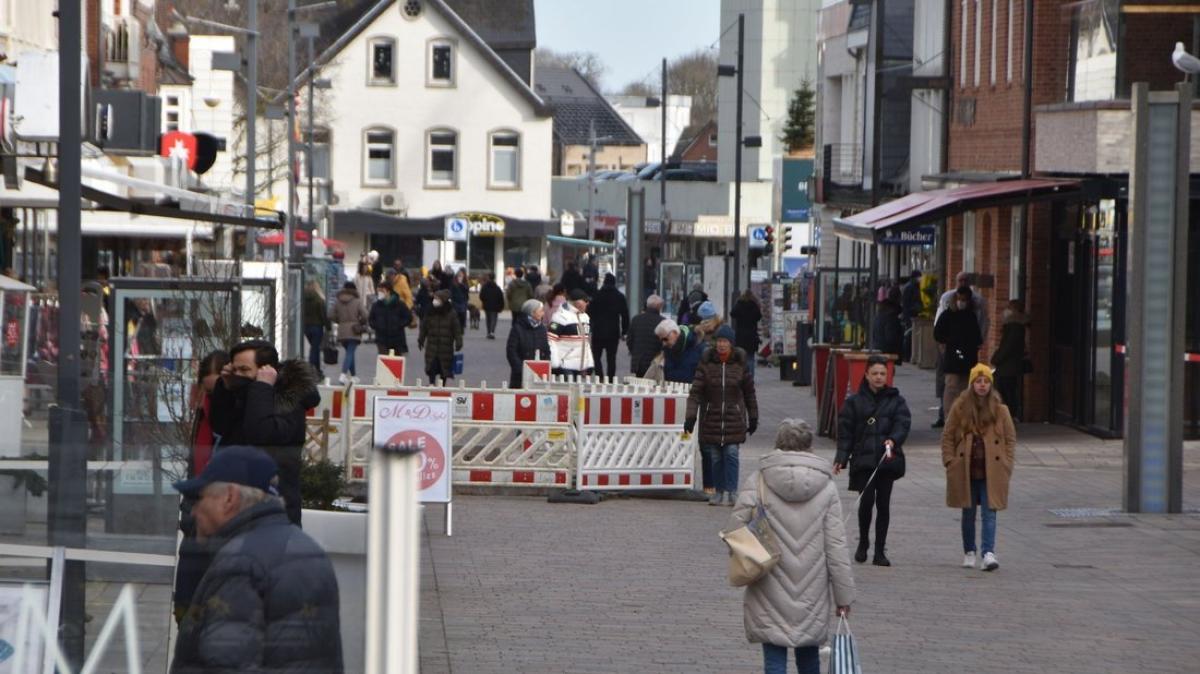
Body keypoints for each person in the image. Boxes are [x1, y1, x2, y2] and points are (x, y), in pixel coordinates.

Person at [171, 446, 343, 673]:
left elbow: (227, 664)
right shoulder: (309, 550)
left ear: (229, 497)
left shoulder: (240, 563)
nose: (194, 511)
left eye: (199, 498)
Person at [729, 419, 855, 674]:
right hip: (813, 587)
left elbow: (736, 528)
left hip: (769, 580)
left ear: (779, 443)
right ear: (809, 447)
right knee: (809, 656)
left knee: (774, 656)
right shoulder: (826, 487)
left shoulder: (760, 479)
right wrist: (844, 597)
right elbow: (836, 546)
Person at [208, 340, 319, 526]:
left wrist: (262, 388)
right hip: (237, 508)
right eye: (235, 370)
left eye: (244, 370)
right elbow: (220, 426)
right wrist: (225, 388)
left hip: (273, 513)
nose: (238, 376)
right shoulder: (243, 395)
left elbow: (262, 434)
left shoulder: (287, 402)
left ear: (267, 371)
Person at [833, 355, 911, 566]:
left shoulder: (897, 401)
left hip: (886, 461)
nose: (878, 377)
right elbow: (845, 432)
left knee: (883, 504)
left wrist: (893, 440)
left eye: (882, 374)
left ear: (888, 376)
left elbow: (903, 424)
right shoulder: (854, 402)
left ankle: (879, 550)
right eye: (875, 373)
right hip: (863, 460)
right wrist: (841, 458)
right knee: (866, 502)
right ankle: (863, 542)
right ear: (866, 374)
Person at [173, 350, 230, 623]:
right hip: (197, 507)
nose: (211, 399)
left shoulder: (228, 415)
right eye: (208, 391)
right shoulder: (202, 411)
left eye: (216, 390)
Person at [942, 363, 1015, 571]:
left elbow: (1010, 439)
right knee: (968, 512)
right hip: (966, 468)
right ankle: (969, 551)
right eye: (978, 381)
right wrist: (950, 461)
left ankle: (988, 553)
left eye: (986, 382)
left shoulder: (1001, 410)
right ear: (972, 384)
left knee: (990, 513)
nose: (982, 386)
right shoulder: (960, 407)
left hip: (992, 470)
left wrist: (1007, 463)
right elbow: (947, 436)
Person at [685, 325, 758, 505]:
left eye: (725, 341)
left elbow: (749, 393)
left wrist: (753, 416)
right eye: (719, 341)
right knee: (716, 456)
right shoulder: (706, 363)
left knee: (731, 453)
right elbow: (695, 393)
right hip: (712, 417)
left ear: (731, 344)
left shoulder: (740, 364)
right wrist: (690, 417)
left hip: (734, 417)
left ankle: (732, 492)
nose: (722, 345)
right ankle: (718, 491)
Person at [932, 272, 989, 427]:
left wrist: (975, 344)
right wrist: (948, 343)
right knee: (951, 386)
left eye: (965, 300)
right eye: (960, 300)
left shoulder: (971, 315)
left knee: (966, 386)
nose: (962, 302)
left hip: (968, 356)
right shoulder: (948, 313)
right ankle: (949, 417)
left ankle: (965, 416)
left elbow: (979, 332)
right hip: (952, 355)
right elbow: (938, 333)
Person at [990, 299, 1031, 421]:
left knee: (1006, 392)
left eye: (1008, 308)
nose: (1005, 311)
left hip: (1008, 366)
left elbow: (1007, 346)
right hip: (1010, 365)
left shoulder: (1014, 326)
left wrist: (996, 359)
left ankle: (1008, 415)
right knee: (1008, 391)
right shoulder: (1015, 325)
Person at [586, 273, 629, 380]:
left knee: (596, 356)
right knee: (611, 358)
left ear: (604, 282)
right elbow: (625, 315)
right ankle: (610, 379)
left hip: (598, 331)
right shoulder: (619, 296)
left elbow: (590, 312)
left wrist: (592, 325)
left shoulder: (597, 295)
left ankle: (599, 376)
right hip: (613, 332)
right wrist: (624, 331)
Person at [418, 289, 463, 383]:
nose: (435, 301)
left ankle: (442, 387)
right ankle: (431, 384)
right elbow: (424, 327)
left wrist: (459, 341)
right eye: (434, 298)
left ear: (443, 300)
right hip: (432, 346)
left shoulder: (451, 313)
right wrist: (421, 339)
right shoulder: (430, 311)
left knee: (444, 369)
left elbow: (457, 329)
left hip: (445, 347)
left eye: (437, 299)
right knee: (431, 367)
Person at [506, 299, 551, 388]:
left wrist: (545, 364)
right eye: (541, 311)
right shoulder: (518, 328)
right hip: (520, 375)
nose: (543, 314)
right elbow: (511, 351)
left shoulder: (542, 328)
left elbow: (546, 350)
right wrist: (520, 369)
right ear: (532, 312)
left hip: (539, 374)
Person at [548, 288, 594, 376]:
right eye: (585, 300)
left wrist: (589, 363)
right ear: (577, 302)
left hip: (580, 366)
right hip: (565, 365)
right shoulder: (560, 317)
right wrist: (555, 363)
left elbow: (586, 343)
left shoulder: (585, 317)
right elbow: (551, 340)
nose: (587, 303)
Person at [330, 281, 368, 383]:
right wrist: (360, 322)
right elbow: (365, 315)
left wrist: (339, 321)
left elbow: (331, 315)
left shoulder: (337, 301)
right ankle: (343, 375)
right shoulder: (357, 301)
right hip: (354, 330)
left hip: (342, 330)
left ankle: (354, 376)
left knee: (349, 353)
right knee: (350, 353)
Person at [655, 319, 705, 385]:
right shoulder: (666, 350)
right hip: (671, 392)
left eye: (665, 339)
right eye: (661, 340)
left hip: (692, 393)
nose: (663, 343)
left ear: (675, 333)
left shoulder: (698, 346)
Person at [627, 294, 666, 377]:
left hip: (639, 362)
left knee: (640, 385)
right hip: (655, 362)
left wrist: (634, 352)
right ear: (659, 307)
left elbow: (629, 340)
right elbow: (664, 344)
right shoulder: (663, 322)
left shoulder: (636, 319)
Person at [370, 282, 412, 357]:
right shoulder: (376, 305)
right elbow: (371, 319)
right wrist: (377, 326)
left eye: (381, 291)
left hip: (397, 339)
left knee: (395, 363)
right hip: (381, 339)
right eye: (378, 291)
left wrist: (399, 325)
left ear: (388, 291)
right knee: (384, 362)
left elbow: (408, 317)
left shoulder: (399, 304)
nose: (379, 293)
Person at [730, 290, 763, 378]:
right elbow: (759, 316)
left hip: (741, 335)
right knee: (751, 358)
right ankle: (750, 377)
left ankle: (741, 376)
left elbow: (732, 313)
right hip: (752, 335)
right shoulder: (754, 305)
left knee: (740, 357)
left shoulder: (739, 304)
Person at [871, 286, 905, 364]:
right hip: (887, 351)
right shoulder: (891, 318)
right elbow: (891, 338)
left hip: (878, 348)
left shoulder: (879, 315)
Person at [301, 280, 328, 371]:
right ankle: (312, 367)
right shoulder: (318, 299)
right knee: (315, 348)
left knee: (314, 348)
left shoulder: (302, 298)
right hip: (317, 326)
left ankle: (317, 368)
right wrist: (328, 327)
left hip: (306, 326)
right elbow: (323, 314)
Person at [900, 270, 922, 361]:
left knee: (910, 335)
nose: (920, 279)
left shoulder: (913, 286)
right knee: (909, 335)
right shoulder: (910, 287)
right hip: (910, 315)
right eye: (919, 277)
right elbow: (907, 303)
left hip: (911, 314)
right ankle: (906, 356)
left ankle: (907, 355)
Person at [479, 273, 506, 339]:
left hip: (487, 305)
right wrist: (501, 306)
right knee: (494, 319)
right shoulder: (497, 287)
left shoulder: (484, 287)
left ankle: (488, 332)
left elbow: (481, 296)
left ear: (488, 277)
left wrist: (484, 301)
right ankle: (492, 332)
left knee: (488, 319)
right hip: (495, 306)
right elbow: (501, 297)